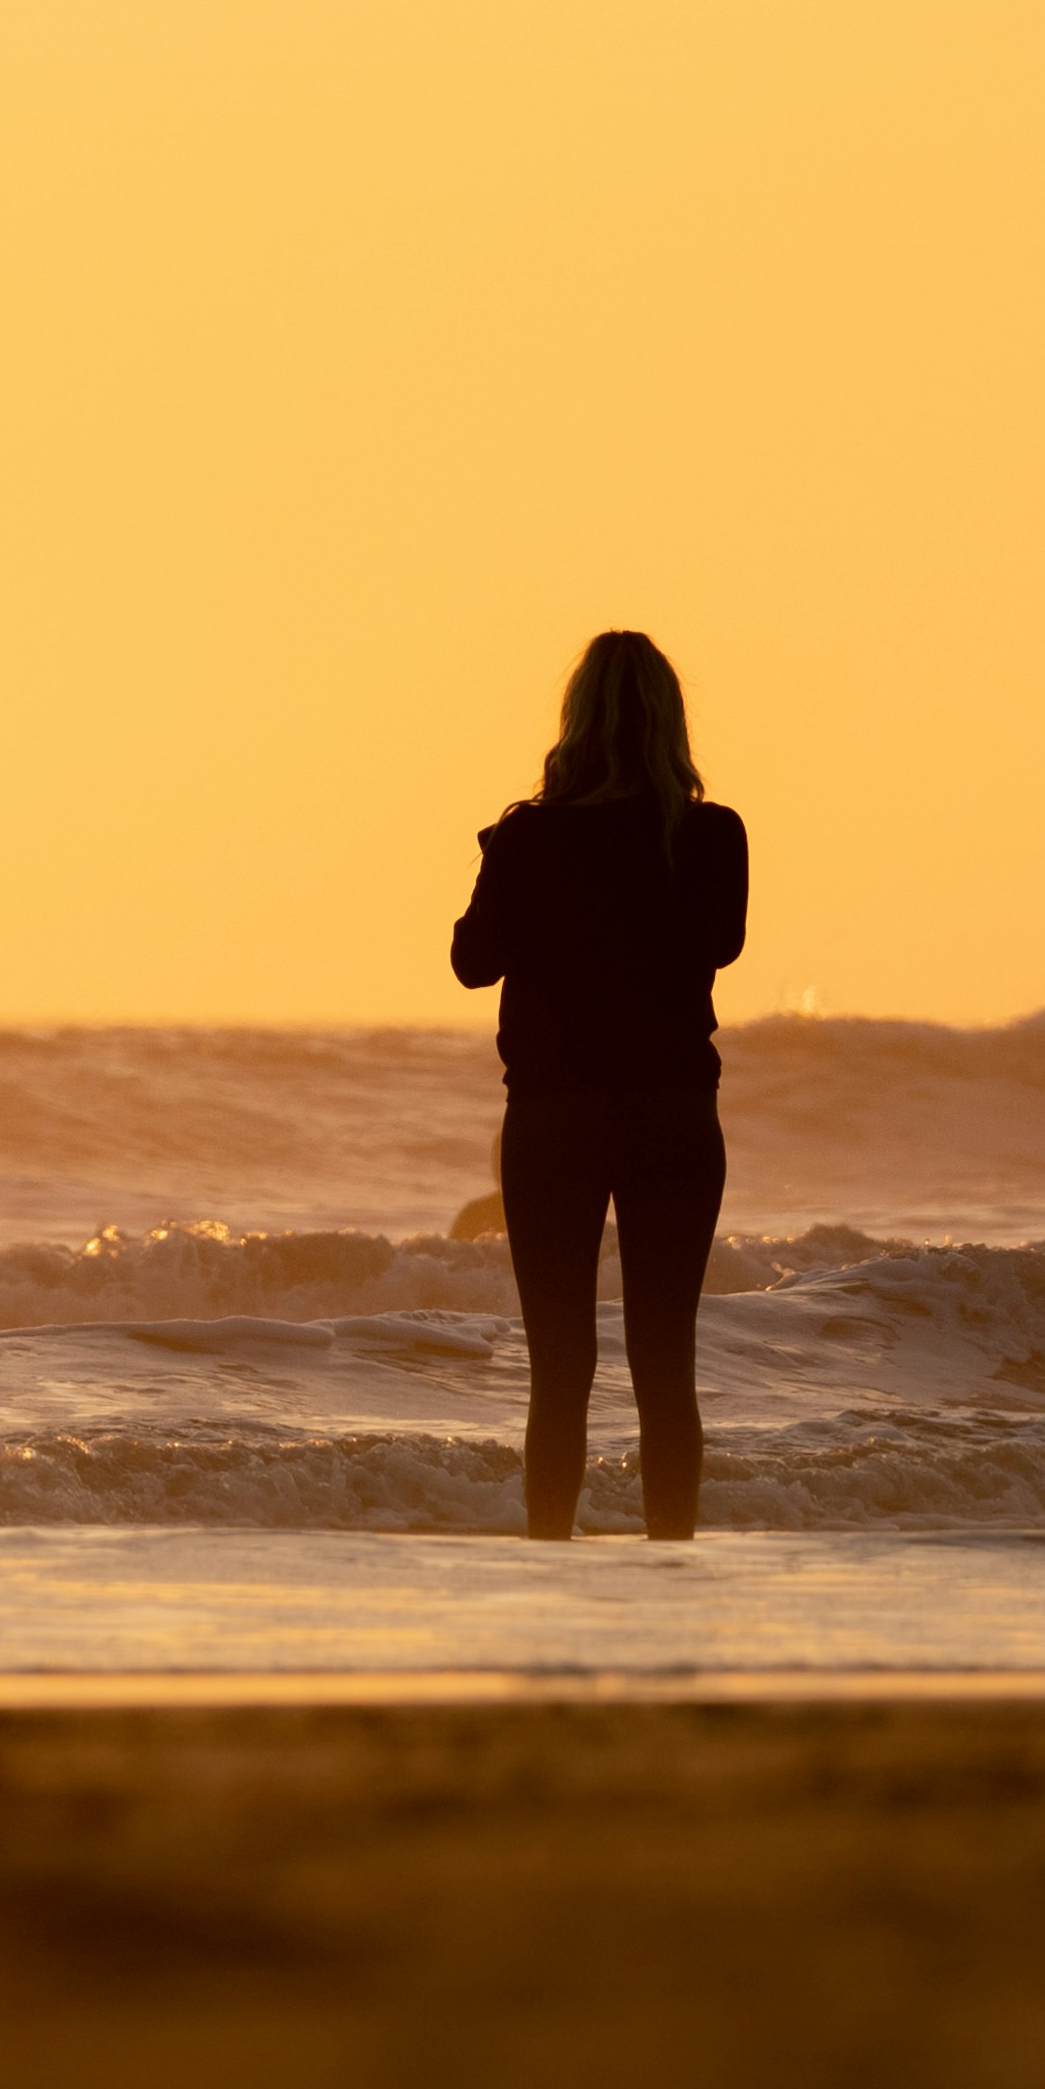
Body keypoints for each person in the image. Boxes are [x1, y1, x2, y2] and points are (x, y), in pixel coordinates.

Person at [449, 630, 749, 1541]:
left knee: (560, 1368)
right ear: (669, 721)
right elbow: (718, 945)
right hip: (672, 1114)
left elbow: (471, 961)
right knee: (667, 1363)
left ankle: (550, 1556)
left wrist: (502, 854)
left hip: (555, 1116)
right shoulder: (708, 833)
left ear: (576, 719)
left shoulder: (530, 835)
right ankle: (672, 1560)